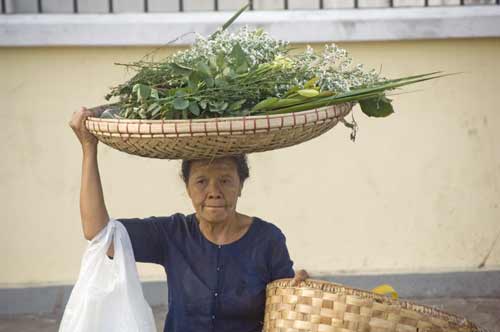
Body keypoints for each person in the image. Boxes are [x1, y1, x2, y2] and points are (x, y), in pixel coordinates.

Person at [69, 106, 309, 332]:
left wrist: (300, 293)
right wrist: (89, 149)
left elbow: (285, 306)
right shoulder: (172, 233)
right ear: (187, 187)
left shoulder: (267, 239)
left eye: (225, 180)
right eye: (201, 181)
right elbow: (98, 233)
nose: (214, 191)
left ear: (241, 185)